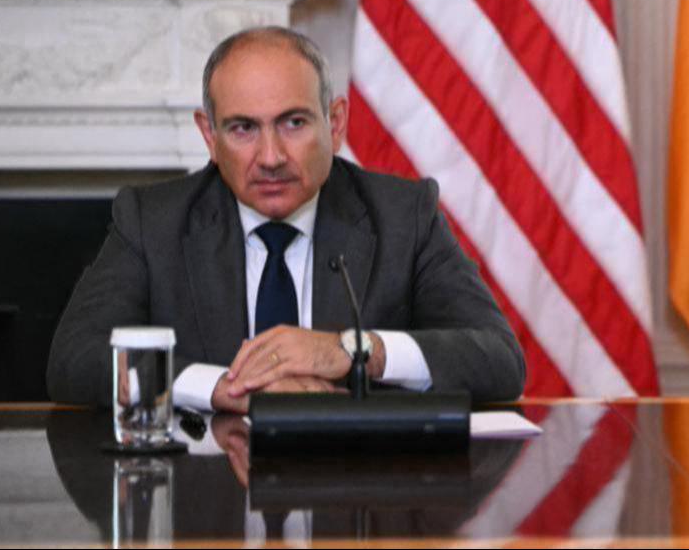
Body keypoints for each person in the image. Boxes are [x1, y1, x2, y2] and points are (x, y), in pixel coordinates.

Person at [46, 27, 525, 411]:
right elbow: (73, 360)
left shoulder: (403, 216)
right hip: (207, 503)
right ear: (209, 136)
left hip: (356, 502)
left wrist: (357, 350)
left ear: (335, 124)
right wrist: (221, 387)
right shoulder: (153, 221)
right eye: (243, 128)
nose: (270, 156)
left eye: (294, 123)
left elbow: (500, 361)